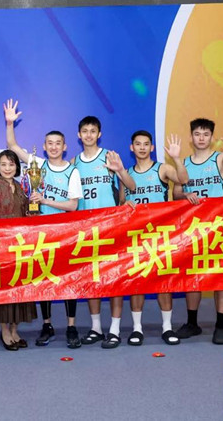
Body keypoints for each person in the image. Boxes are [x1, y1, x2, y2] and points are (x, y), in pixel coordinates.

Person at [4, 99, 83, 347]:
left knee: (69, 278)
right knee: (43, 277)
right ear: (45, 146)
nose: (54, 147)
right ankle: (47, 324)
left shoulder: (72, 171)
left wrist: (46, 200)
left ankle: (71, 326)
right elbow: (12, 146)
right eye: (50, 143)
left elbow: (73, 205)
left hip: (66, 232)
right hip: (40, 232)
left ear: (65, 147)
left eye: (58, 143)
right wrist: (9, 123)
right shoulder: (37, 165)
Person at [173, 118, 223, 345]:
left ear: (212, 138)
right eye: (197, 134)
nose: (201, 138)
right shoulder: (184, 163)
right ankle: (192, 323)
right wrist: (185, 195)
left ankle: (220, 326)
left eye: (205, 134)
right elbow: (176, 193)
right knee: (193, 276)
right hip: (193, 229)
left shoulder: (220, 159)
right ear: (191, 137)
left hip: (220, 228)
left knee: (221, 277)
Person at [120, 130, 189, 346]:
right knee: (137, 282)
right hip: (136, 236)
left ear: (151, 147)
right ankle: (137, 328)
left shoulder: (162, 169)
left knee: (163, 282)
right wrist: (124, 204)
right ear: (131, 148)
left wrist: (176, 158)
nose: (142, 147)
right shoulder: (125, 174)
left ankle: (167, 327)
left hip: (161, 234)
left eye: (146, 144)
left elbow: (184, 179)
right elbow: (121, 203)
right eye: (137, 144)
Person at [72, 116, 135, 349]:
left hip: (110, 227)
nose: (88, 135)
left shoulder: (110, 156)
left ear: (99, 134)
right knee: (92, 278)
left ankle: (115, 329)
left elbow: (131, 186)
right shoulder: (74, 162)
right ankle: (96, 328)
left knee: (114, 278)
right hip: (86, 230)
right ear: (79, 135)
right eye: (85, 131)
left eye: (93, 131)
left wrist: (120, 170)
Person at [0, 150, 38, 350]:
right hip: (1, 245)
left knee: (20, 286)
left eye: (11, 164)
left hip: (20, 244)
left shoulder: (22, 187)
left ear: (17, 167)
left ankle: (15, 329)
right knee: (4, 287)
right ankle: (4, 330)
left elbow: (27, 213)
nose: (7, 168)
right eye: (3, 164)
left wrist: (34, 206)